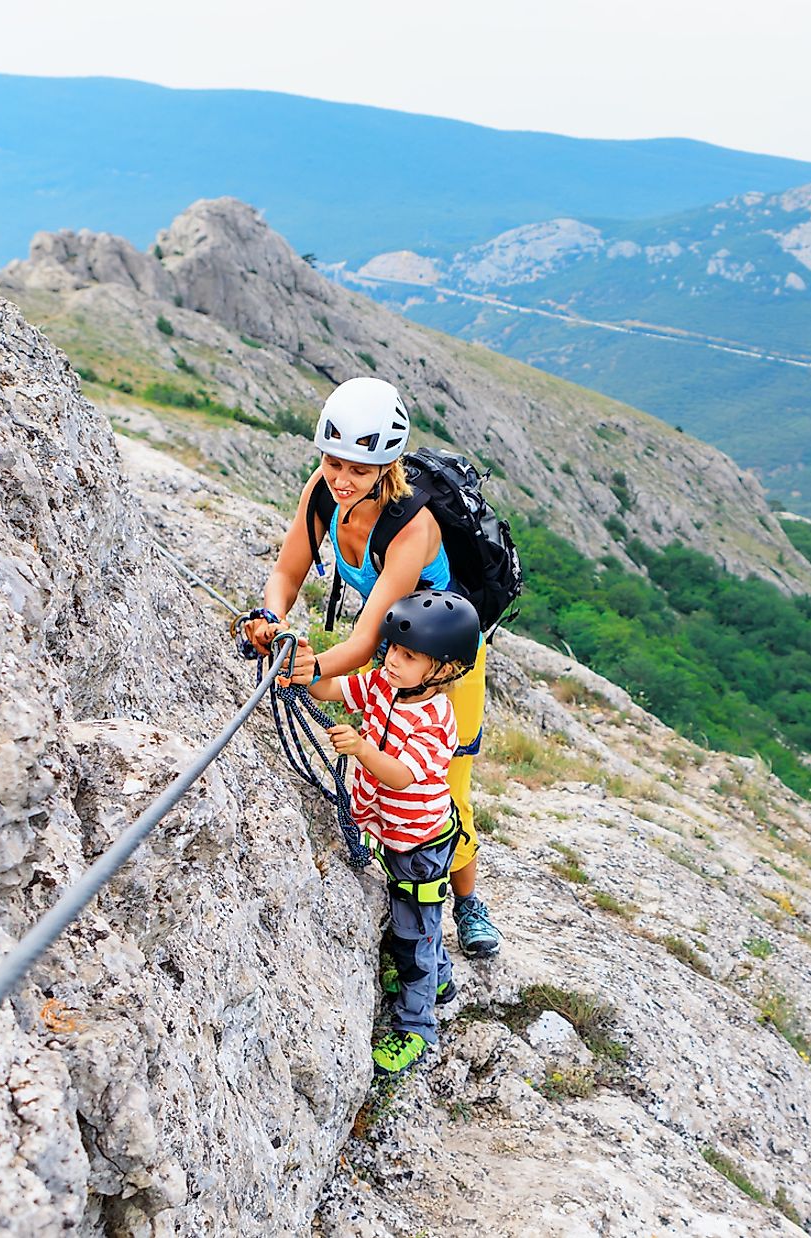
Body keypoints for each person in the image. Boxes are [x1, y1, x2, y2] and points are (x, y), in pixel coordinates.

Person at [242, 378, 503, 958]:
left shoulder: (414, 526)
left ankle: (466, 903)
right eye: (334, 462)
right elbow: (287, 573)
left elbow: (362, 642)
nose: (341, 479)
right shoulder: (322, 493)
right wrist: (270, 617)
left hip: (446, 667)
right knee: (378, 768)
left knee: (441, 786)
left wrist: (302, 667)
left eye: (358, 470)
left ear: (386, 467)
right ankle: (406, 883)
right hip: (396, 650)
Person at [292, 589, 480, 1076]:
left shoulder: (438, 721)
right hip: (394, 830)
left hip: (420, 841)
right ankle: (440, 979)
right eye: (393, 649)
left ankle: (416, 1028)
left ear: (444, 669)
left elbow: (401, 774)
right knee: (423, 917)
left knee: (413, 931)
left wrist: (359, 748)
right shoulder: (381, 683)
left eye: (409, 655)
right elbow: (332, 690)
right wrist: (305, 668)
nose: (393, 660)